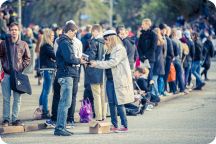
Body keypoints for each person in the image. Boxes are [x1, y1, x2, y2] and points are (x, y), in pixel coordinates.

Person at [90, 30, 134, 133]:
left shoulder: (120, 49)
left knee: (119, 103)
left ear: (111, 38)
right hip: (110, 80)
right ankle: (114, 125)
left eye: (106, 39)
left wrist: (97, 64)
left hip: (118, 80)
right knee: (111, 103)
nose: (105, 41)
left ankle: (124, 125)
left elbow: (113, 62)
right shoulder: (108, 50)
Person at [54, 22, 86, 136]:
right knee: (65, 103)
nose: (75, 35)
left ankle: (60, 126)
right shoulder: (64, 42)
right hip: (66, 74)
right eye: (74, 33)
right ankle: (59, 128)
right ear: (70, 31)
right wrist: (79, 60)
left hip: (66, 73)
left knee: (65, 102)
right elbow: (69, 58)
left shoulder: (65, 41)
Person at [0, 22, 31, 126]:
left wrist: (21, 67)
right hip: (7, 75)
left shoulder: (23, 44)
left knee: (17, 98)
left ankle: (15, 118)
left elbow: (27, 58)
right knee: (6, 98)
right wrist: (3, 67)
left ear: (19, 31)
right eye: (12, 30)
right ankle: (6, 119)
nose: (14, 31)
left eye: (15, 30)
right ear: (9, 31)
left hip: (18, 75)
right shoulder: (4, 43)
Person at [85, 24, 107, 121]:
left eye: (92, 32)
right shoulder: (105, 41)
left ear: (96, 31)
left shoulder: (94, 42)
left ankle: (98, 116)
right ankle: (104, 115)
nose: (92, 33)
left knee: (96, 95)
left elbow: (91, 56)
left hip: (94, 70)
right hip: (103, 70)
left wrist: (85, 57)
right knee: (103, 94)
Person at [39, 28, 56, 118]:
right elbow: (55, 56)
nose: (54, 37)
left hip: (45, 69)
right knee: (47, 91)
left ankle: (41, 108)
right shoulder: (47, 46)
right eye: (52, 35)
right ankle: (45, 111)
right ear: (48, 36)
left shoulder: (44, 45)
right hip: (48, 70)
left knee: (44, 90)